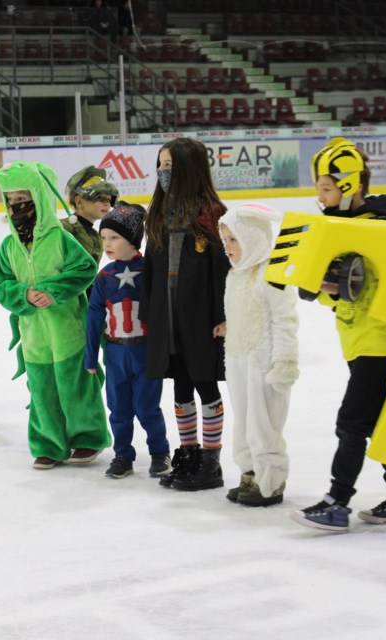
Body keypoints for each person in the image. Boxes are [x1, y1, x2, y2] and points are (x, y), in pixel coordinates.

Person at [290, 138, 386, 533]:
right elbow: (354, 297)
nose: (319, 196)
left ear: (349, 185)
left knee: (352, 424)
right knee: (381, 423)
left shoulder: (379, 231)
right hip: (361, 345)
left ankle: (337, 503)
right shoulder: (346, 230)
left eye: (325, 187)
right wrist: (330, 291)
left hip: (382, 349)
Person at [0, 160, 111, 470]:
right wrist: (23, 295)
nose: (18, 205)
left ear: (39, 197)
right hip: (33, 335)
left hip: (67, 328)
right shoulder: (8, 247)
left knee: (76, 385)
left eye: (24, 197)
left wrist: (53, 290)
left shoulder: (60, 238)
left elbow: (84, 269)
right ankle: (48, 443)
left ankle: (87, 437)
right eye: (12, 199)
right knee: (42, 389)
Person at [139, 137, 229, 492]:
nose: (163, 172)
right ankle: (189, 452)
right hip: (168, 319)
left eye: (170, 166)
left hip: (201, 319)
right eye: (160, 166)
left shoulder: (212, 214)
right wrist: (149, 314)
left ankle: (211, 460)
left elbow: (224, 270)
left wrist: (224, 315)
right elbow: (150, 267)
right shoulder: (159, 214)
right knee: (179, 388)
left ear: (189, 169)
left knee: (205, 384)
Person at [218, 203, 300, 507]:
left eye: (234, 239)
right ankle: (250, 473)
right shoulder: (235, 275)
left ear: (253, 238)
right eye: (225, 240)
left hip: (264, 363)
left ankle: (272, 481)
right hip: (239, 358)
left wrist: (285, 361)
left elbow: (284, 319)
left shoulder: (272, 275)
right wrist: (229, 326)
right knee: (243, 422)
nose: (227, 247)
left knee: (264, 423)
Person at [84, 201, 171, 479]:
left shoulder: (151, 270)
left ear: (133, 240)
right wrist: (90, 356)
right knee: (118, 409)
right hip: (116, 354)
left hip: (145, 352)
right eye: (104, 238)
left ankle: (160, 452)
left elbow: (165, 311)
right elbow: (94, 317)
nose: (107, 244)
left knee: (147, 408)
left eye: (114, 238)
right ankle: (123, 455)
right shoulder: (104, 276)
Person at [63, 165, 119, 266]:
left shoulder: (96, 238)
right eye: (100, 198)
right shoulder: (63, 229)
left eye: (109, 199)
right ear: (79, 202)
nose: (107, 204)